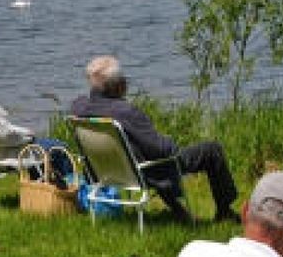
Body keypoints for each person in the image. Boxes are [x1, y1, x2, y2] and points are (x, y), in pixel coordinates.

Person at [70, 55, 238, 222]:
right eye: (124, 80)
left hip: (105, 172)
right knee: (212, 150)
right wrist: (169, 140)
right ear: (118, 85)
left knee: (145, 154)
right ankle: (225, 212)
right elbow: (164, 150)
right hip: (141, 172)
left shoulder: (79, 108)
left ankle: (179, 211)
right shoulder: (126, 112)